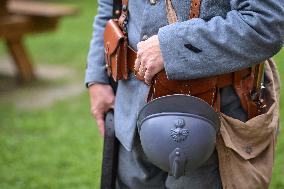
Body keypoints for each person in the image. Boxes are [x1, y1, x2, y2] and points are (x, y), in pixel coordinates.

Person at [85, 0, 284, 188]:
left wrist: (171, 47)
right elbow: (109, 7)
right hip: (129, 116)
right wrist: (97, 77)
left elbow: (265, 23)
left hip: (212, 128)